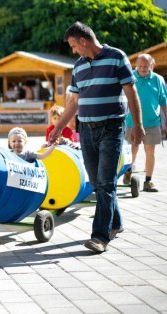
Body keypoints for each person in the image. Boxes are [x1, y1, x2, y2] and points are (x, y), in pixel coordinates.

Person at [49, 21, 144, 253]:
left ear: (83, 41)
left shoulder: (116, 57)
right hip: (87, 130)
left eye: (73, 45)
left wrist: (138, 126)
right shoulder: (78, 66)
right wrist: (58, 128)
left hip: (112, 127)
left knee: (106, 182)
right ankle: (116, 222)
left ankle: (100, 237)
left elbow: (131, 93)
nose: (73, 51)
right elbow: (73, 103)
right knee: (97, 182)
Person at [123, 54, 167, 192]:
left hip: (152, 123)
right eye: (140, 66)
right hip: (132, 122)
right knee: (132, 151)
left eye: (145, 66)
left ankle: (148, 181)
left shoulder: (158, 80)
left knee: (151, 152)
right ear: (136, 65)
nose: (142, 69)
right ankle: (128, 171)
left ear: (151, 65)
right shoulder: (130, 78)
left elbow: (164, 102)